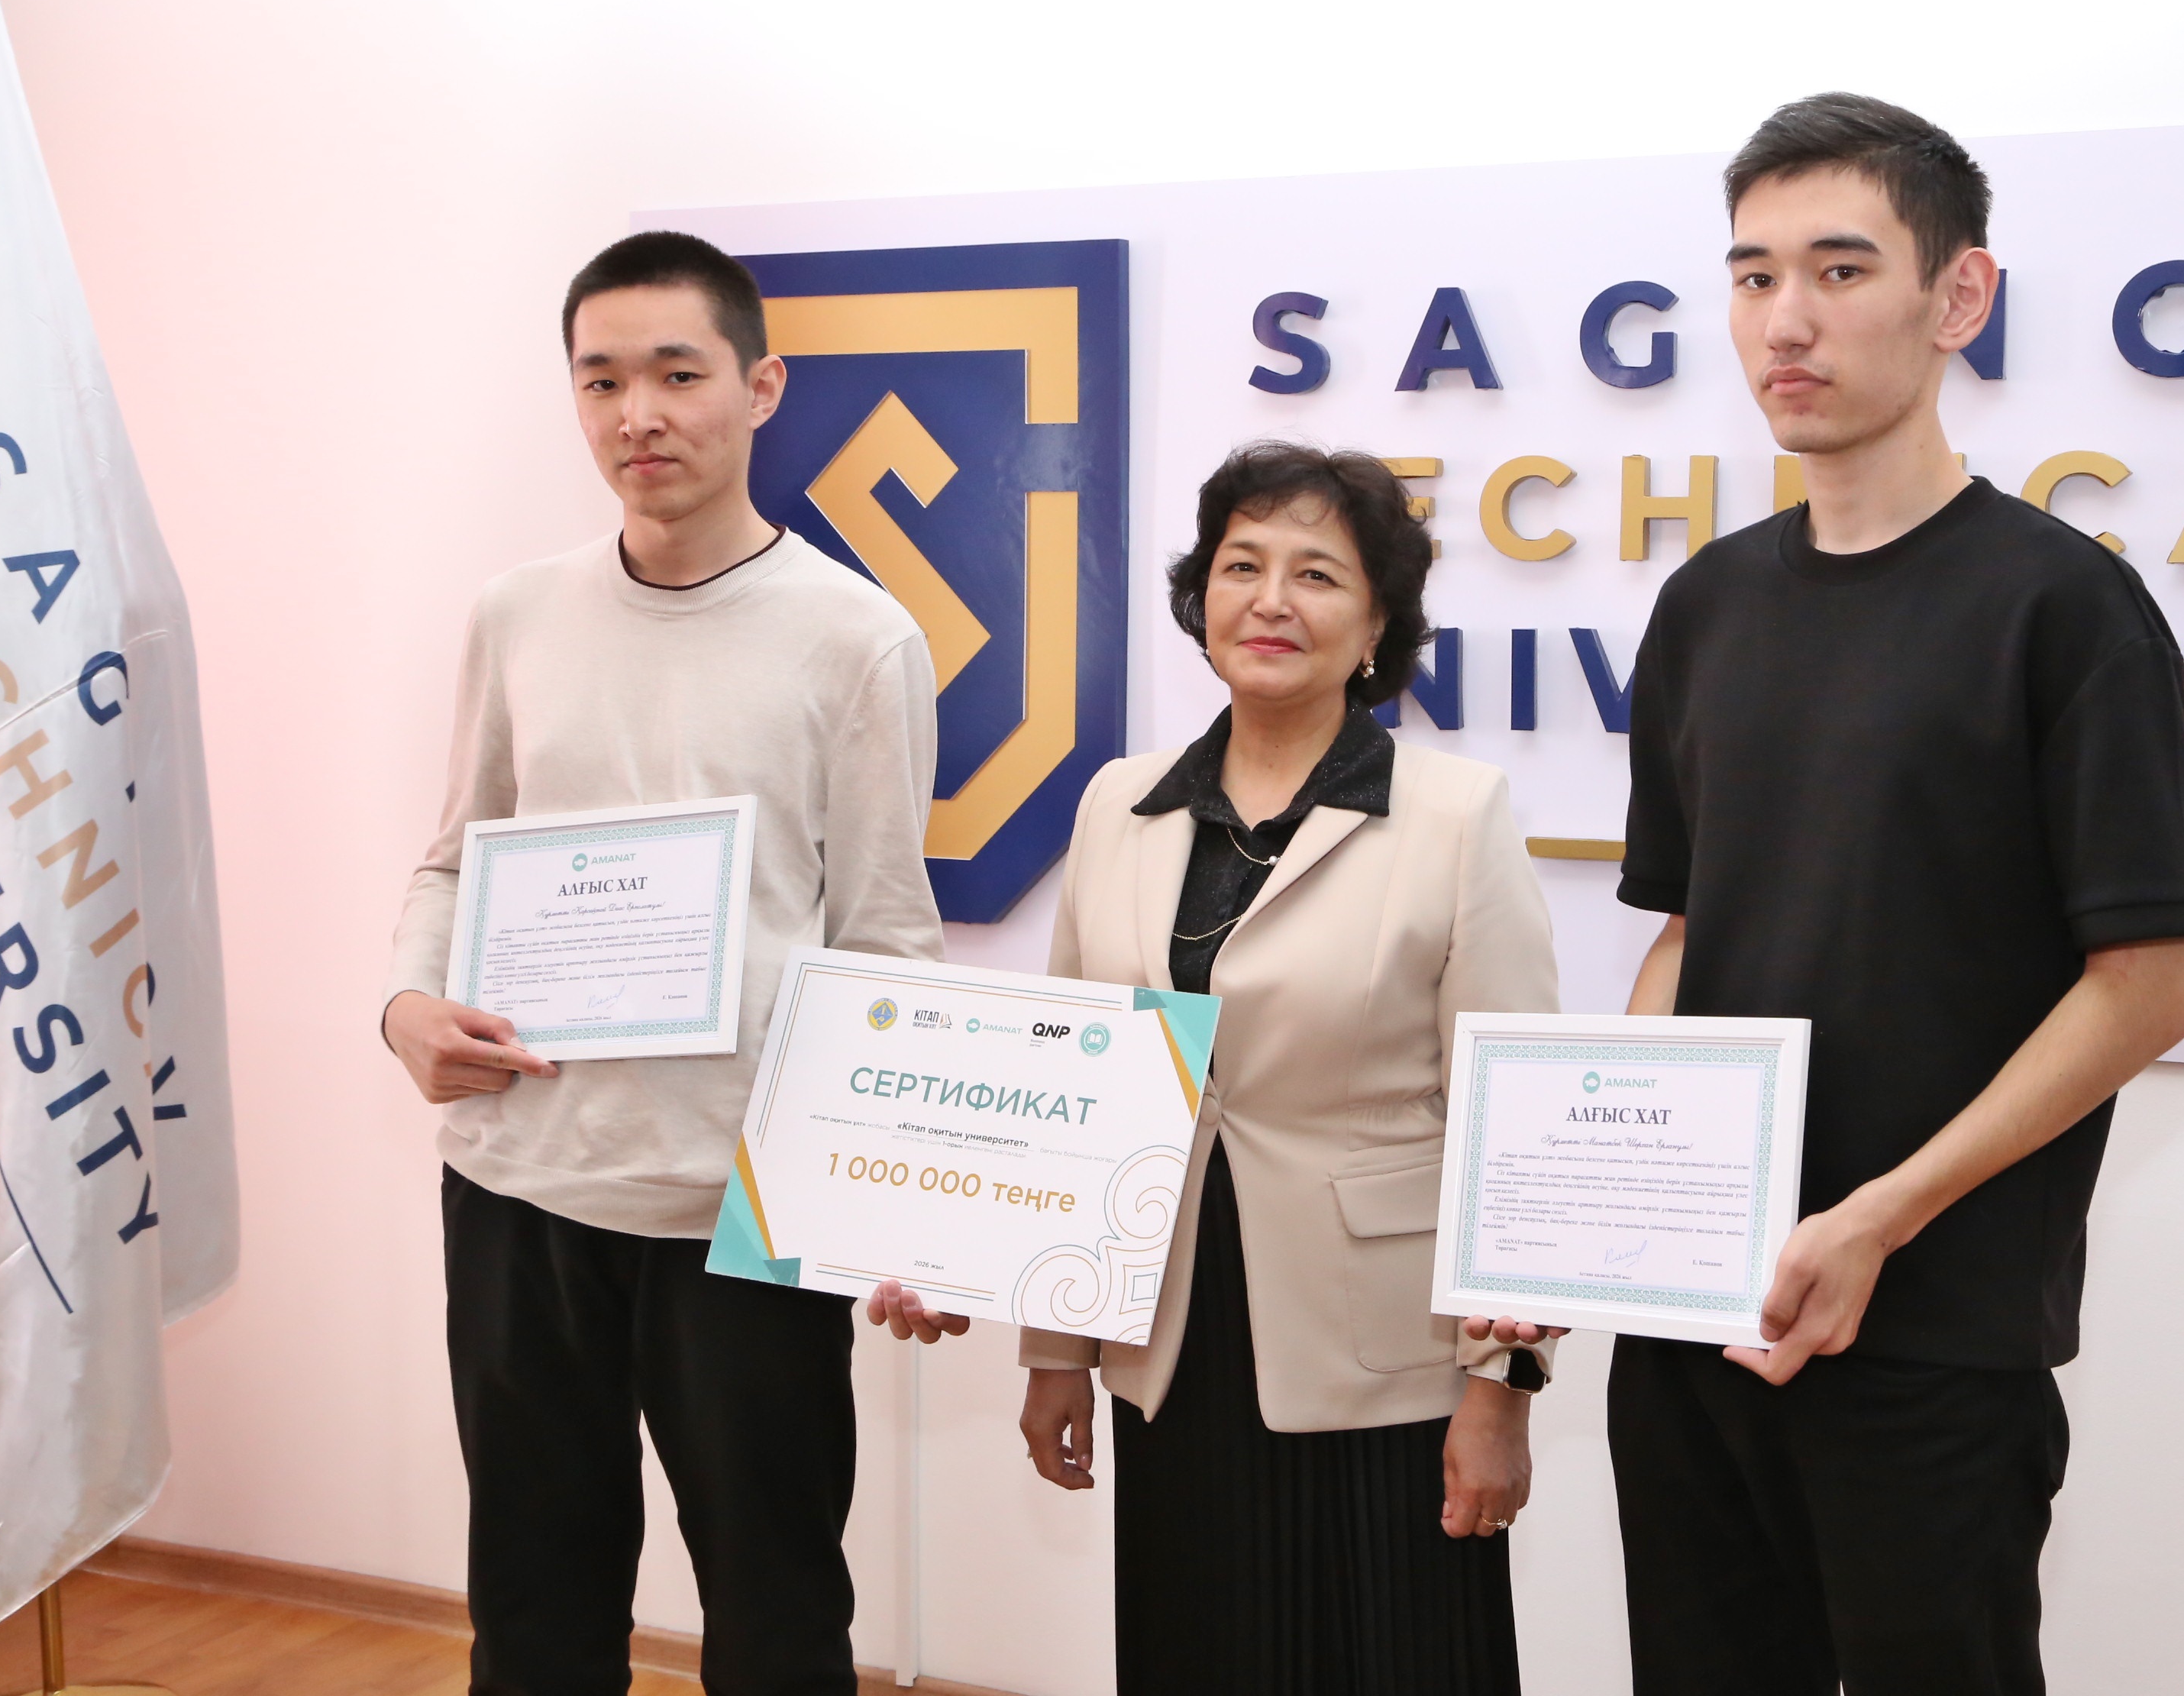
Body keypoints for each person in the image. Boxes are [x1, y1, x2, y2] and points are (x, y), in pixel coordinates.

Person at [1607, 94, 2184, 1693]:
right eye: (1752, 277)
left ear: (1959, 297)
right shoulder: (1705, 605)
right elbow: (1685, 931)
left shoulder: (2065, 608)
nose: (1784, 322)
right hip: (1693, 1316)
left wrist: (1881, 1216)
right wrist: (1594, 1208)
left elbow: (2147, 986)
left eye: (1838, 269)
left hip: (1932, 1333)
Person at [380, 231, 945, 1694]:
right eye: (602, 380)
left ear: (761, 388)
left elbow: (887, 940)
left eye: (678, 374)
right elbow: (455, 857)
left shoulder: (859, 638)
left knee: (775, 1612)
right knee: (534, 1610)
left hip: (743, 1208)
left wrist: (899, 1205)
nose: (639, 414)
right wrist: (405, 1006)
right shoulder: (517, 612)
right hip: (519, 1185)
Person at [1003, 442, 1559, 1695]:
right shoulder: (1118, 804)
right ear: (1201, 597)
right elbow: (1074, 1096)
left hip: (1387, 1357)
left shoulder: (1455, 813)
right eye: (1241, 565)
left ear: (1376, 624)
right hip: (1173, 1342)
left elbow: (1512, 1129)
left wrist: (1503, 1392)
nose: (1270, 599)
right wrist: (1056, 1350)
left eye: (1316, 574)